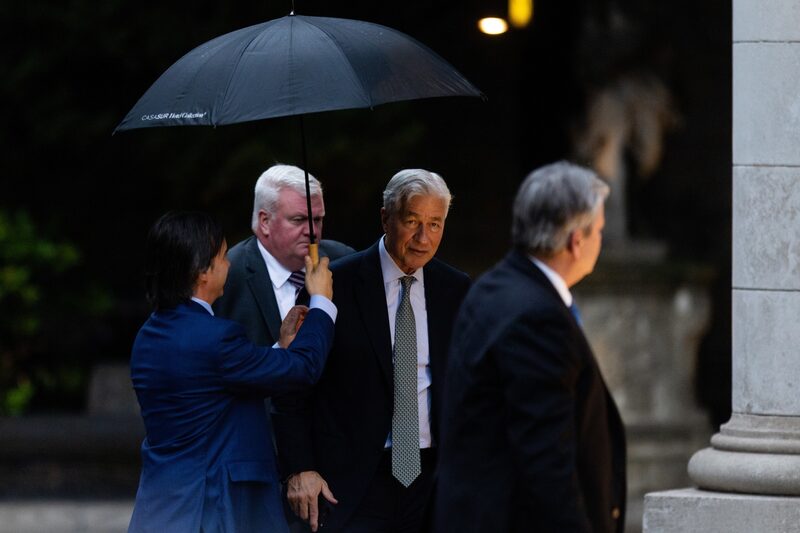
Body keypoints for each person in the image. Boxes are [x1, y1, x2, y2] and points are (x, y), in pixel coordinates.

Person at [434, 161, 627, 533]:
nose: (600, 241)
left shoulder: (492, 287)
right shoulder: (536, 317)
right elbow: (547, 464)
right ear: (576, 240)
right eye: (599, 231)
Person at [273, 169, 471, 533]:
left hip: (433, 482)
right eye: (412, 221)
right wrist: (298, 468)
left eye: (435, 224)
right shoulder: (334, 286)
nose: (423, 238)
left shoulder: (456, 291)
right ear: (385, 217)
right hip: (352, 484)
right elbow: (293, 385)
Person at [128, 211, 336, 533]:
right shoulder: (216, 338)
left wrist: (279, 348)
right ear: (201, 273)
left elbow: (213, 386)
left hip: (161, 507)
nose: (229, 265)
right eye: (223, 257)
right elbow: (302, 369)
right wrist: (322, 301)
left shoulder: (148, 335)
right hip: (211, 510)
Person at [213, 163, 354, 347]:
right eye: (298, 220)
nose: (312, 231)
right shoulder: (227, 275)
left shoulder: (344, 261)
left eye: (317, 219)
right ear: (265, 221)